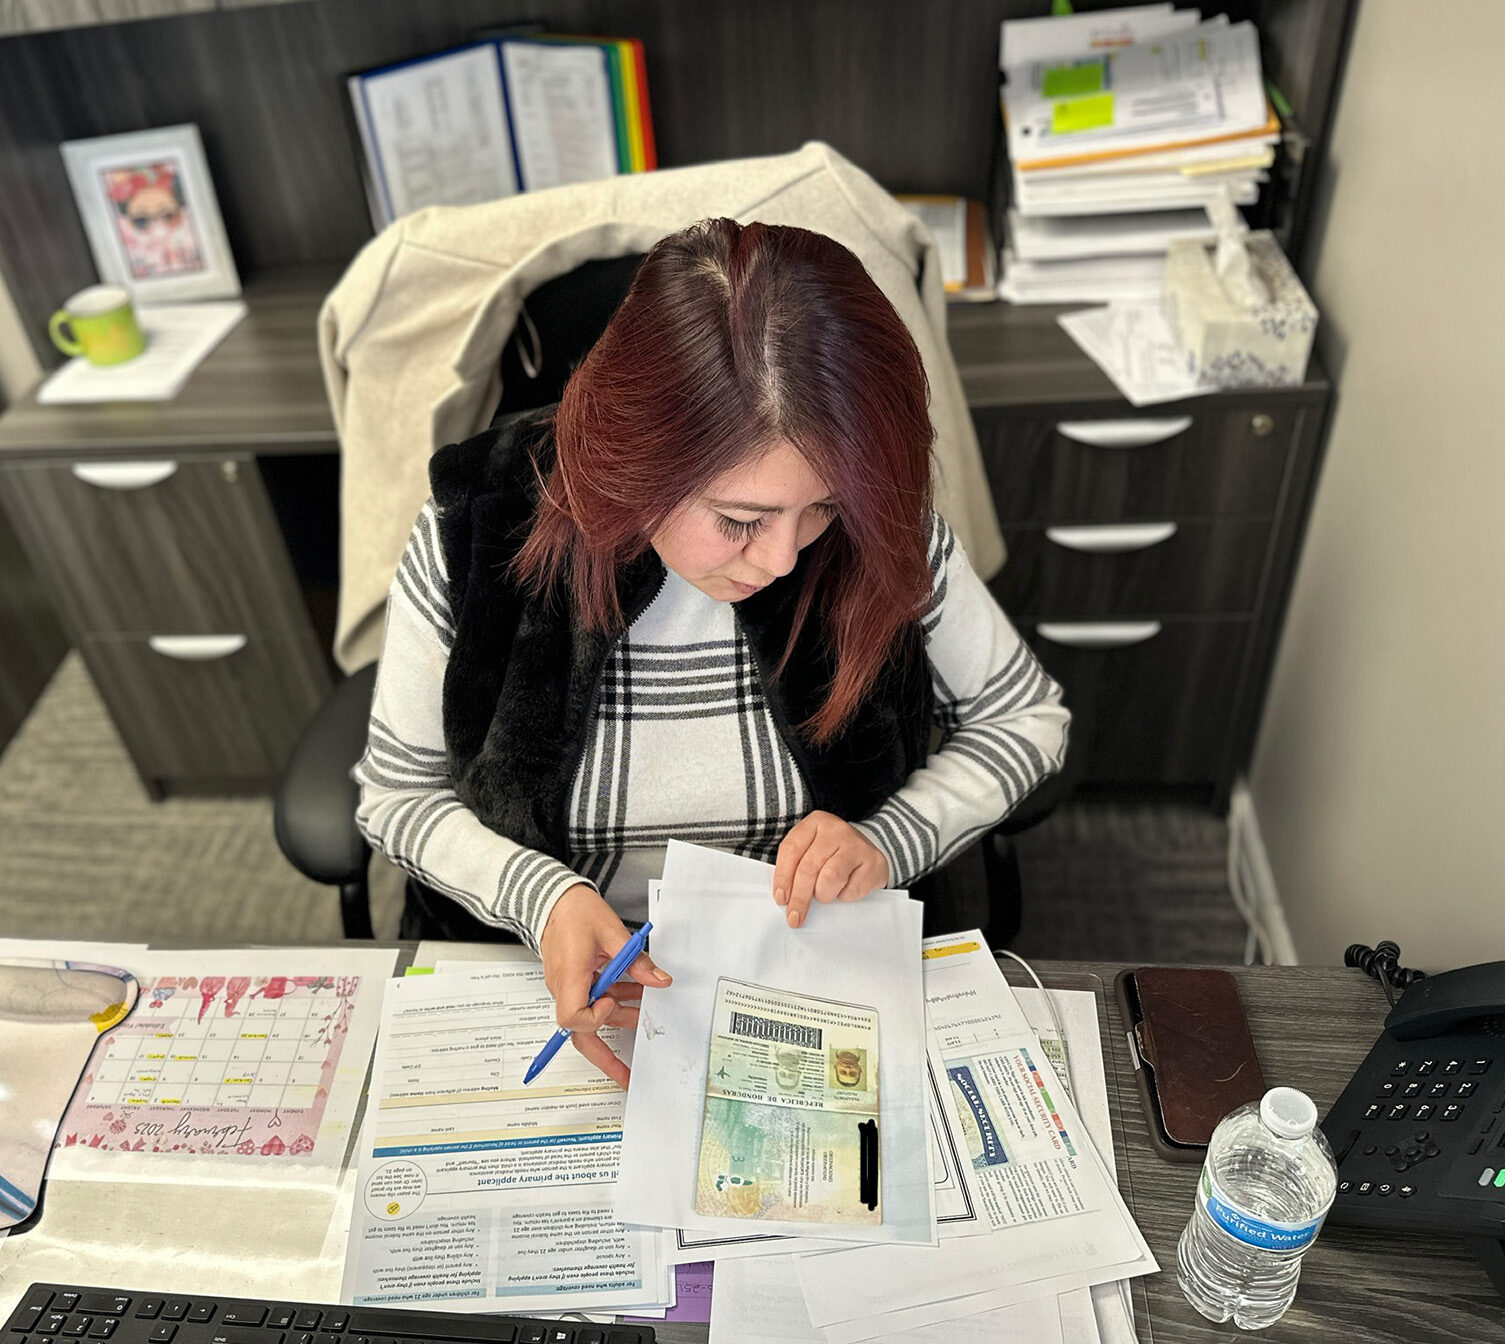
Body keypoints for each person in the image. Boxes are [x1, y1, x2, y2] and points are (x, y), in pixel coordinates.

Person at [355, 218, 1069, 1085]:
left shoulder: (873, 513)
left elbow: (1027, 718)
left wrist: (889, 840)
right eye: (739, 520)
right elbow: (396, 795)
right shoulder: (480, 520)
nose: (782, 560)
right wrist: (543, 898)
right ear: (633, 465)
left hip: (803, 973)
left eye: (820, 512)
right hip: (546, 970)